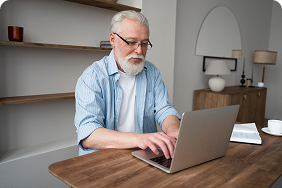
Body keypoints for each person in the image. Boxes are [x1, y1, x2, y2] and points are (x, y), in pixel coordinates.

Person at [74, 10, 181, 159]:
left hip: (145, 156)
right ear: (113, 39)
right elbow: (89, 135)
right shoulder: (93, 77)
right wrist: (139, 139)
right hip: (102, 162)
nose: (139, 51)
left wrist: (173, 129)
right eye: (131, 42)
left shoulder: (151, 72)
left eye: (144, 44)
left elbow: (164, 109)